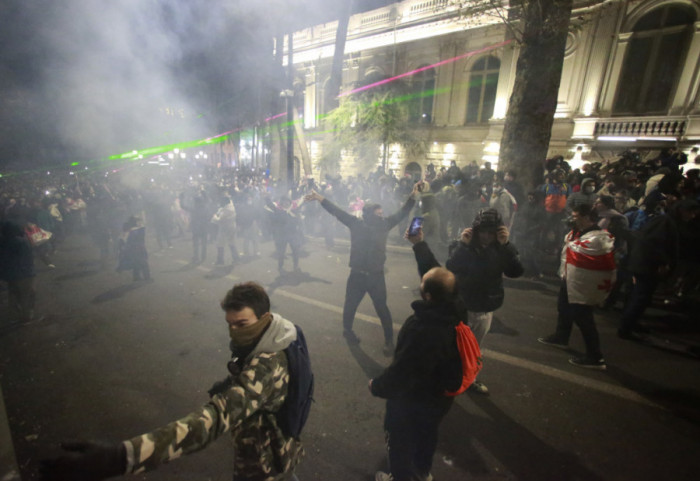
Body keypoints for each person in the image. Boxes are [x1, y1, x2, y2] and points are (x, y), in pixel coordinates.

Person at [40, 282, 305, 481]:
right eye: (231, 324)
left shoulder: (266, 364)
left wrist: (121, 457)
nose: (235, 332)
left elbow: (213, 420)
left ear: (264, 316)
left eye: (242, 323)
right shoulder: (279, 333)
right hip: (280, 446)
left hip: (264, 463)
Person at [409, 208, 523, 394]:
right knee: (452, 347)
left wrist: (506, 245)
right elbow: (451, 266)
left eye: (491, 232)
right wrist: (464, 245)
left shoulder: (502, 248)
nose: (486, 236)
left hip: (487, 308)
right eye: (483, 231)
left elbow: (516, 272)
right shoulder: (464, 245)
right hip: (464, 308)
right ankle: (445, 379)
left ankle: (469, 380)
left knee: (474, 350)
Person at [305, 181, 421, 356]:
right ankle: (348, 331)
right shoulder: (356, 223)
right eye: (378, 214)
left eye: (382, 213)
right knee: (350, 305)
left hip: (376, 276)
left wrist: (413, 196)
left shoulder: (384, 224)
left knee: (382, 309)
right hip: (357, 276)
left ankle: (389, 341)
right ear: (368, 215)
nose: (382, 216)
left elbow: (402, 212)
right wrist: (319, 198)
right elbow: (336, 212)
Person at [369, 266, 462, 481]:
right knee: (427, 436)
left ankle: (401, 477)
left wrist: (377, 386)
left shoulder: (422, 327)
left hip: (413, 400)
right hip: (440, 399)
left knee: (400, 443)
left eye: (423, 283)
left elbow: (403, 370)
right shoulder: (458, 312)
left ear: (427, 295)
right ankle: (422, 472)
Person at [538, 204, 616, 369]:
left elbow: (579, 250)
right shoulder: (577, 233)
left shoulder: (598, 239)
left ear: (587, 217)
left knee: (583, 317)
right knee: (563, 307)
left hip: (583, 284)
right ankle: (561, 337)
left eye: (575, 216)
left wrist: (572, 244)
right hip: (570, 278)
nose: (572, 219)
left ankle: (595, 356)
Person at [0, 221, 39, 324]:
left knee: (15, 295)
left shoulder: (3, 242)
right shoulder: (22, 242)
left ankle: (16, 315)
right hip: (25, 274)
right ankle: (26, 317)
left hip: (10, 275)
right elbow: (28, 257)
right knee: (27, 295)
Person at [116, 216, 151, 282]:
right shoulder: (135, 230)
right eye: (137, 221)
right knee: (143, 263)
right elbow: (140, 238)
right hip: (137, 249)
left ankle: (136, 277)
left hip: (131, 250)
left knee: (136, 263)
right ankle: (147, 278)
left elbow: (121, 241)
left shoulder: (127, 230)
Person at [211, 196, 240, 266]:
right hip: (232, 227)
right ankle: (236, 259)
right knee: (232, 243)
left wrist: (214, 216)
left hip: (225, 228)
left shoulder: (227, 210)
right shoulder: (230, 207)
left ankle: (220, 260)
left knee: (220, 244)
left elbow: (219, 220)